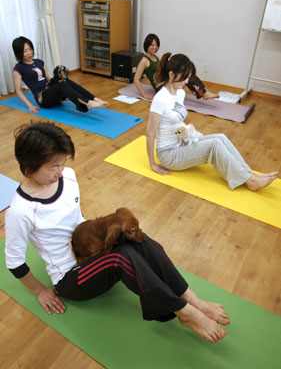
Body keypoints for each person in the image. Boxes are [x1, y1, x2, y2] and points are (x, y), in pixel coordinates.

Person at [5, 121, 230, 344]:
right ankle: (185, 313)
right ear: (28, 168)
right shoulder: (20, 211)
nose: (60, 171)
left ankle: (193, 300)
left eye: (62, 163)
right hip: (71, 277)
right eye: (53, 167)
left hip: (90, 249)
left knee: (140, 240)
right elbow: (14, 262)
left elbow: (73, 217)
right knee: (122, 257)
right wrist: (39, 291)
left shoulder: (69, 177)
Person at [146, 52, 278, 191]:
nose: (186, 82)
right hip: (169, 154)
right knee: (214, 145)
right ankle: (249, 180)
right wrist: (152, 164)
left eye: (188, 77)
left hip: (181, 143)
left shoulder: (180, 93)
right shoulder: (160, 99)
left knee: (220, 137)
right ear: (172, 75)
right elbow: (150, 133)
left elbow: (177, 120)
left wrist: (189, 134)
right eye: (184, 77)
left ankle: (249, 174)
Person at [12, 36, 108, 114]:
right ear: (19, 53)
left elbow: (48, 77)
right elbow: (18, 90)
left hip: (51, 92)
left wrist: (61, 85)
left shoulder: (39, 62)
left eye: (30, 49)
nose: (29, 53)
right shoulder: (19, 68)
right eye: (25, 51)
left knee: (63, 77)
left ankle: (94, 98)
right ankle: (87, 103)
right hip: (43, 98)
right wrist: (30, 106)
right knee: (62, 84)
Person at [134, 33, 219, 101]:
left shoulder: (157, 57)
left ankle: (203, 92)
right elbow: (136, 80)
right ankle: (204, 93)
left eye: (156, 45)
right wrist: (144, 95)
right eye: (152, 45)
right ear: (146, 45)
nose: (155, 47)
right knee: (186, 76)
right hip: (161, 88)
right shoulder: (144, 61)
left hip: (166, 82)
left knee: (187, 73)